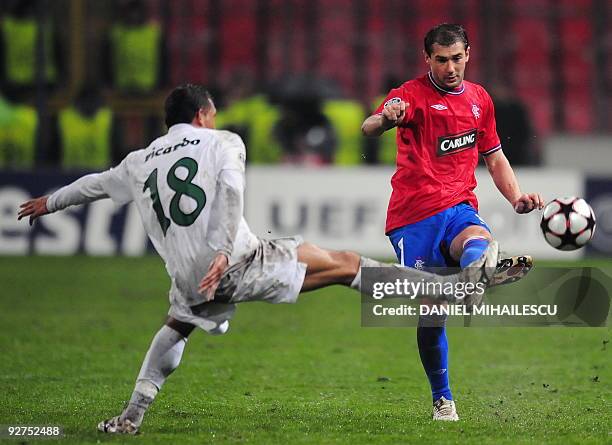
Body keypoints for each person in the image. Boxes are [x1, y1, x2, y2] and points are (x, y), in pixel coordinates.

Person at [17, 84, 499, 434]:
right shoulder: (224, 142)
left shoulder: (140, 159)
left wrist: (48, 202)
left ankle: (131, 416)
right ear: (205, 114)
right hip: (237, 259)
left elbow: (95, 184)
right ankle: (441, 289)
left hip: (188, 275)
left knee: (176, 324)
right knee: (346, 264)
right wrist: (226, 252)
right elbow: (229, 194)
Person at [361, 24, 543, 421]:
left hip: (459, 206)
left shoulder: (479, 99)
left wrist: (516, 197)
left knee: (477, 237)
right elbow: (368, 126)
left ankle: (477, 270)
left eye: (457, 58)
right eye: (441, 60)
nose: (450, 68)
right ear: (427, 58)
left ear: (468, 54)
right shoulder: (408, 96)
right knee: (432, 310)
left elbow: (494, 157)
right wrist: (387, 118)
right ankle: (442, 398)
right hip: (414, 217)